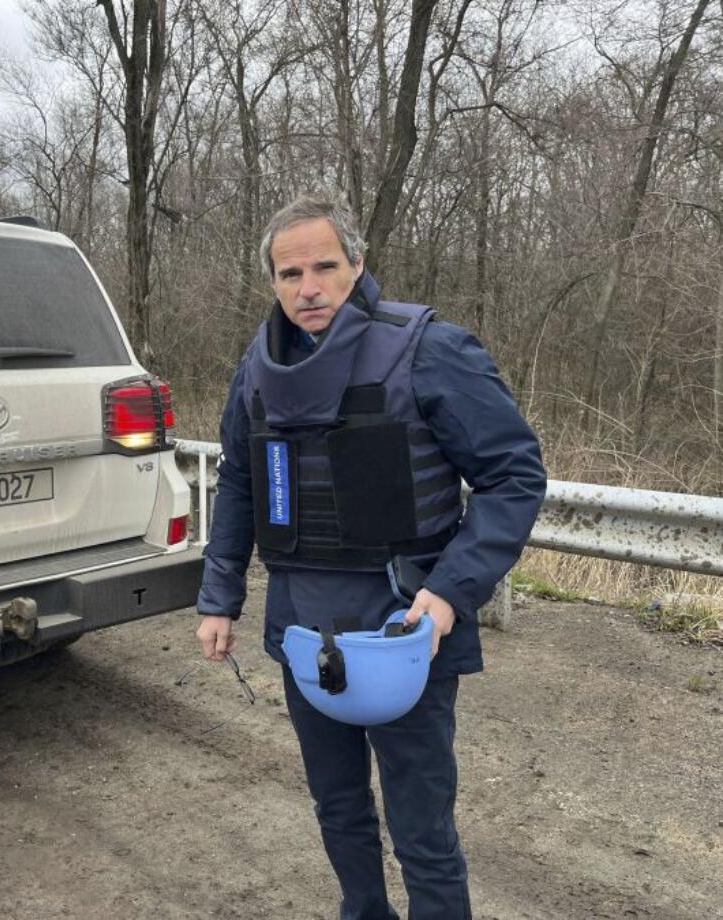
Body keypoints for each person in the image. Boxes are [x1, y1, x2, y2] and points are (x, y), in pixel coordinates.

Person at [195, 192, 547, 920]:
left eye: (326, 267)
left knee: (422, 828)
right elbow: (238, 484)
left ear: (357, 264)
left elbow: (514, 475)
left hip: (405, 625)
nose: (309, 288)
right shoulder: (255, 371)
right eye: (290, 274)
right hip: (302, 628)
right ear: (272, 281)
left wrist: (451, 592)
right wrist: (218, 596)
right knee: (337, 807)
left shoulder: (429, 349)